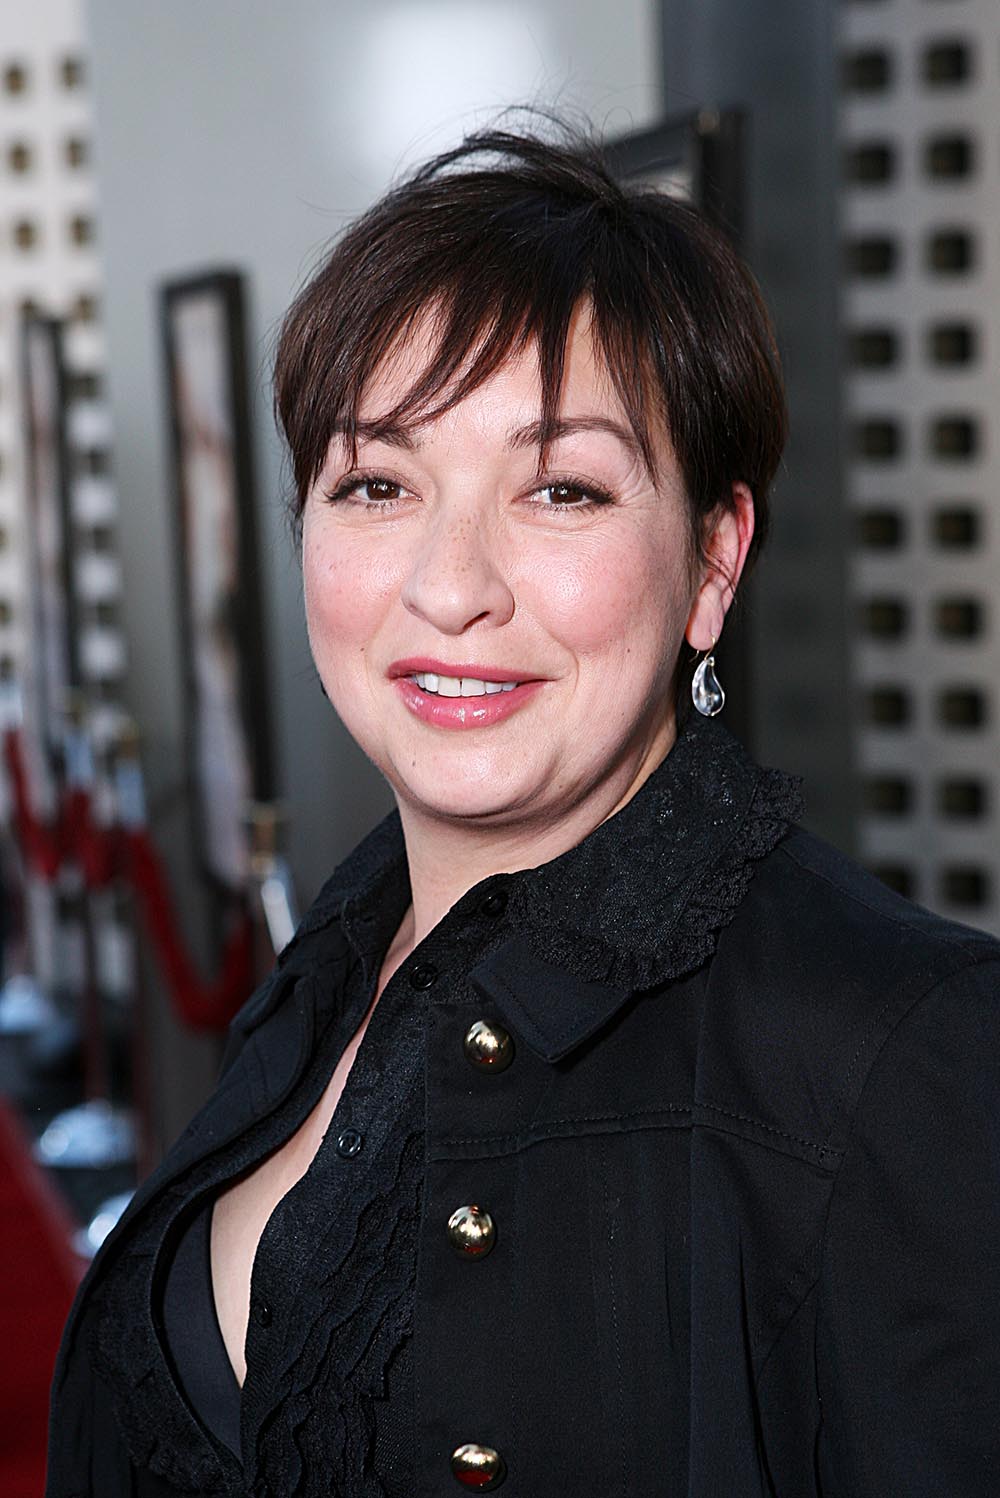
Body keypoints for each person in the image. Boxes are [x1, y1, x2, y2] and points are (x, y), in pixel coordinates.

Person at [46, 125, 1000, 1498]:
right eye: (378, 482)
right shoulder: (333, 961)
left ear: (713, 560)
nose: (452, 583)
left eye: (561, 488)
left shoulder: (902, 1049)